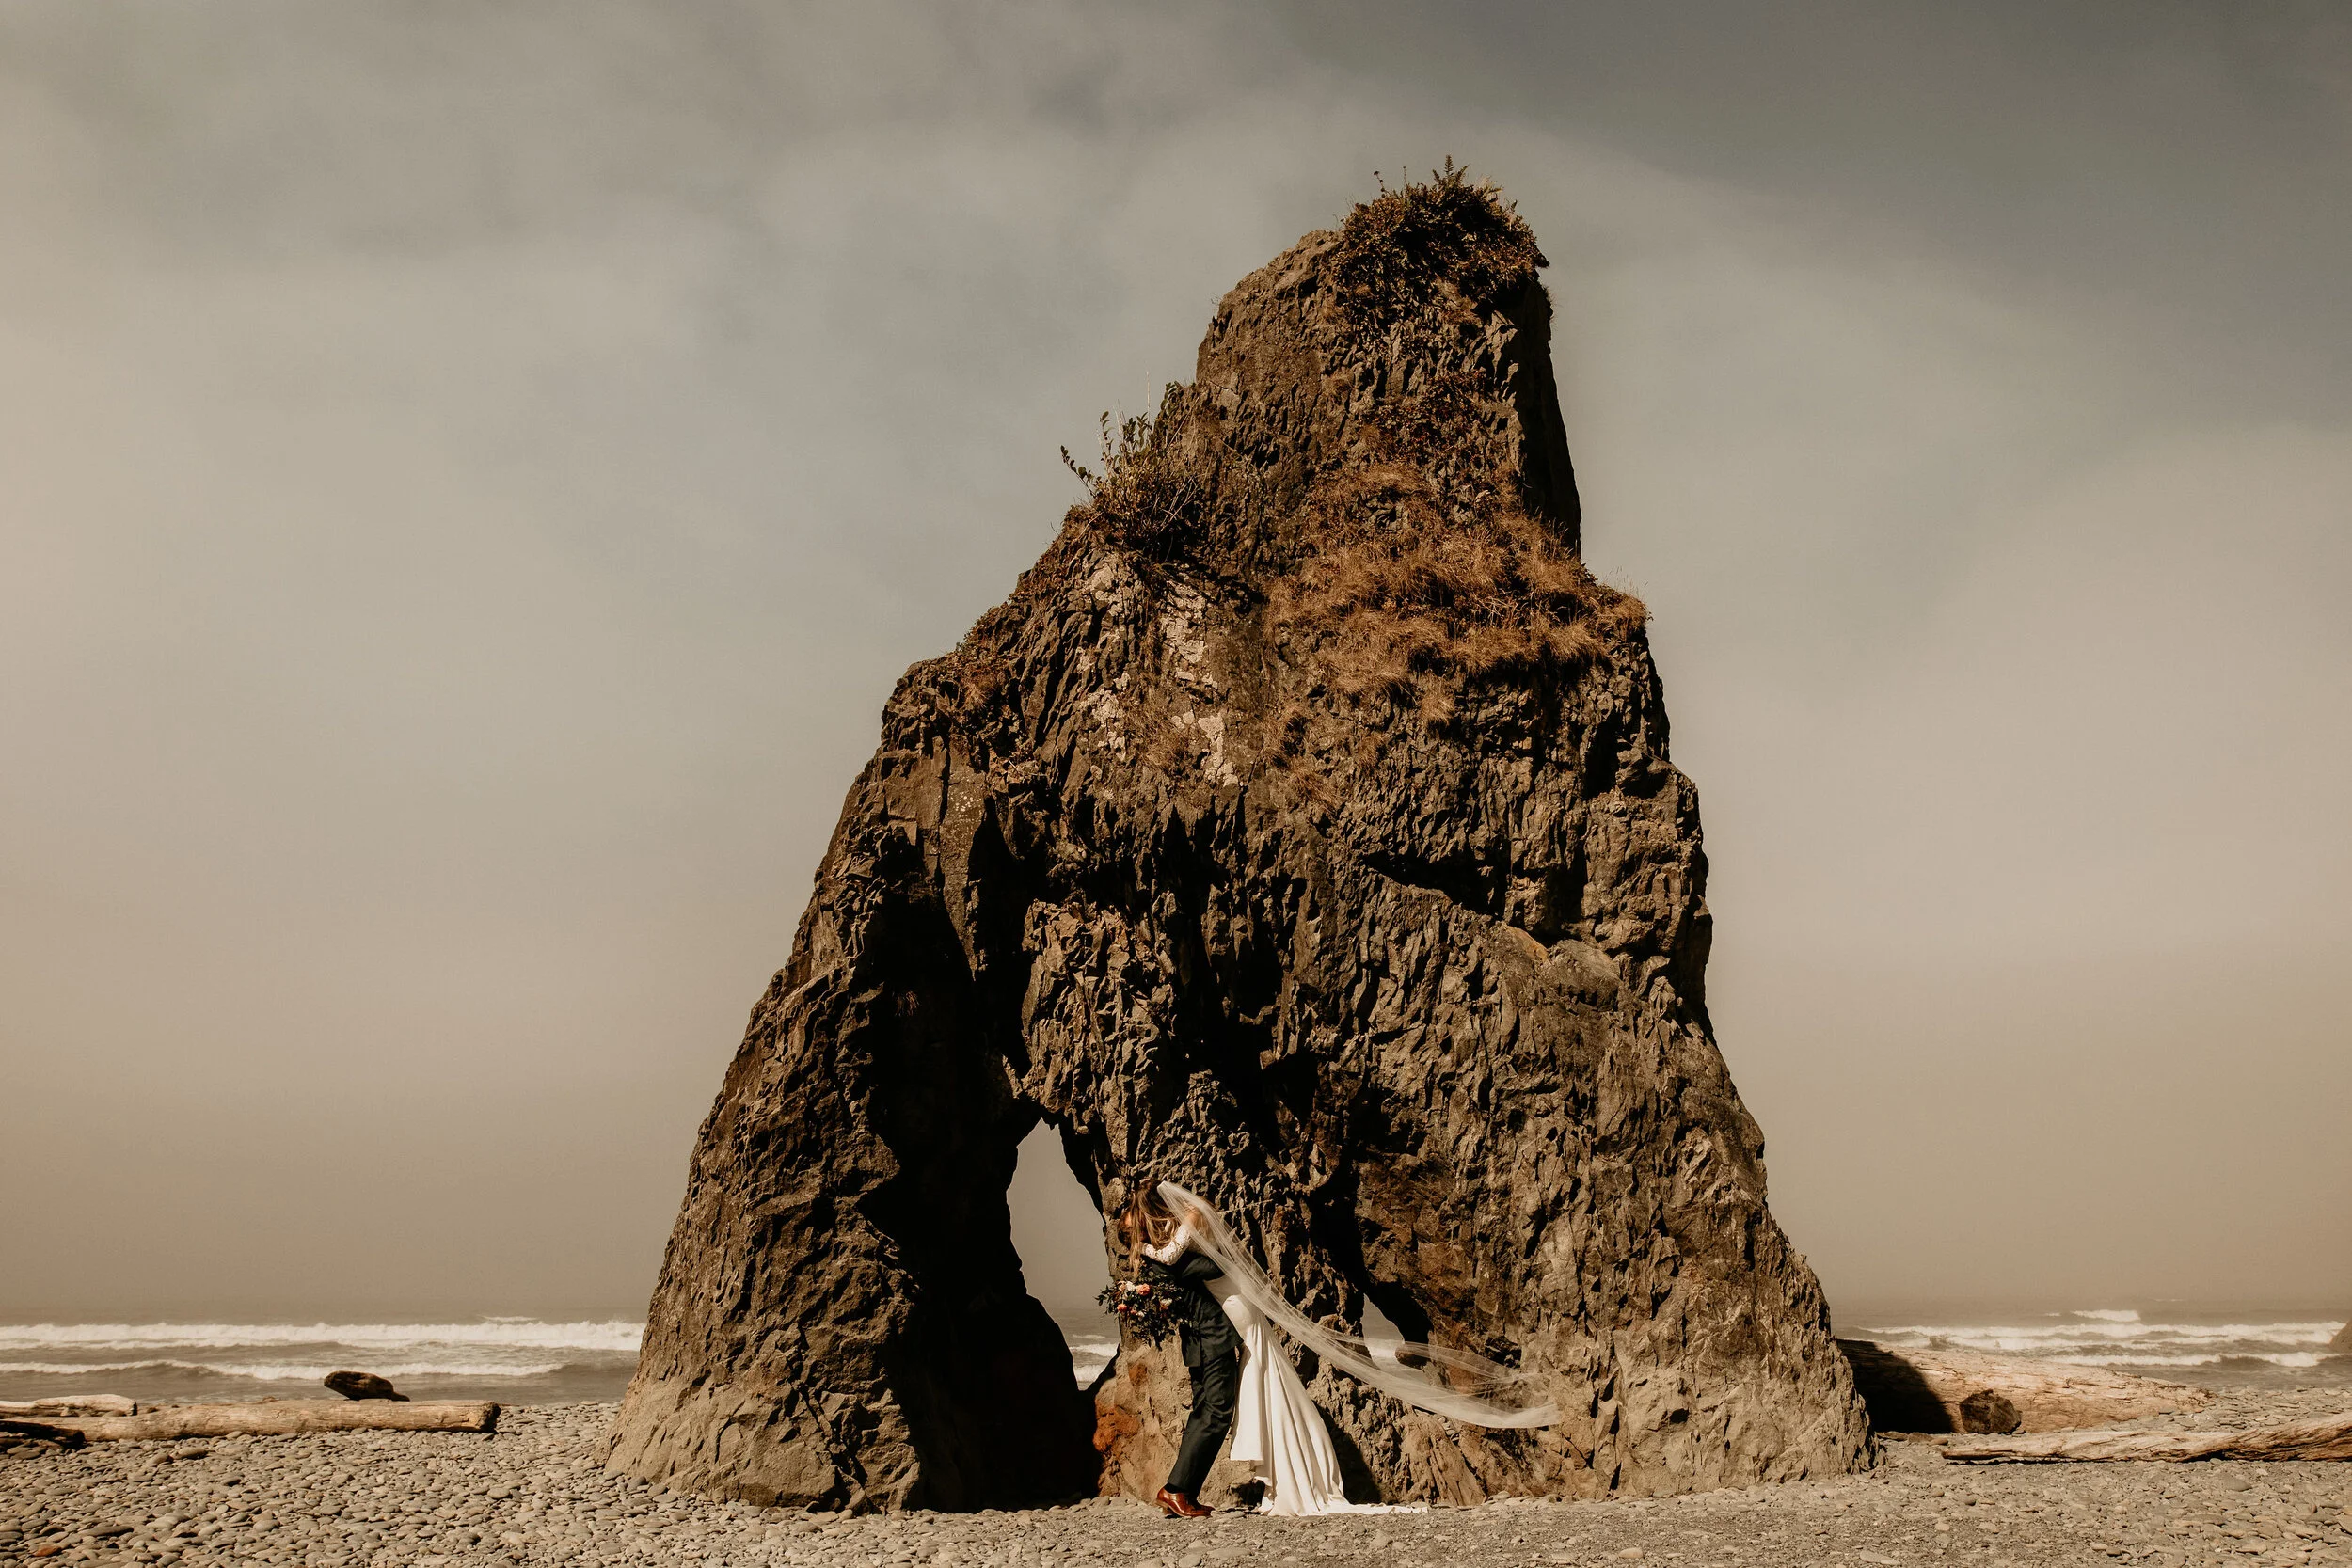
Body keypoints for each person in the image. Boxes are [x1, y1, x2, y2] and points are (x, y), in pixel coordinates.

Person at [1121, 1180, 1557, 1516]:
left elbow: (1172, 1254)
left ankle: (1257, 1476)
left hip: (1236, 1309)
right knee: (1255, 1382)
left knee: (1254, 1381)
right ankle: (1254, 1475)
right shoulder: (1177, 1230)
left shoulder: (1193, 1217)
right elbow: (1173, 1259)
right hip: (1229, 1309)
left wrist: (1141, 1248)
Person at [1124, 1185, 1237, 1518]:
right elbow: (1217, 1268)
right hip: (1211, 1338)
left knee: (1205, 1414)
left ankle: (1182, 1491)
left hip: (1199, 1342)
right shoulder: (1171, 1261)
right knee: (1216, 1414)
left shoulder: (1160, 1260)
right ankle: (1175, 1490)